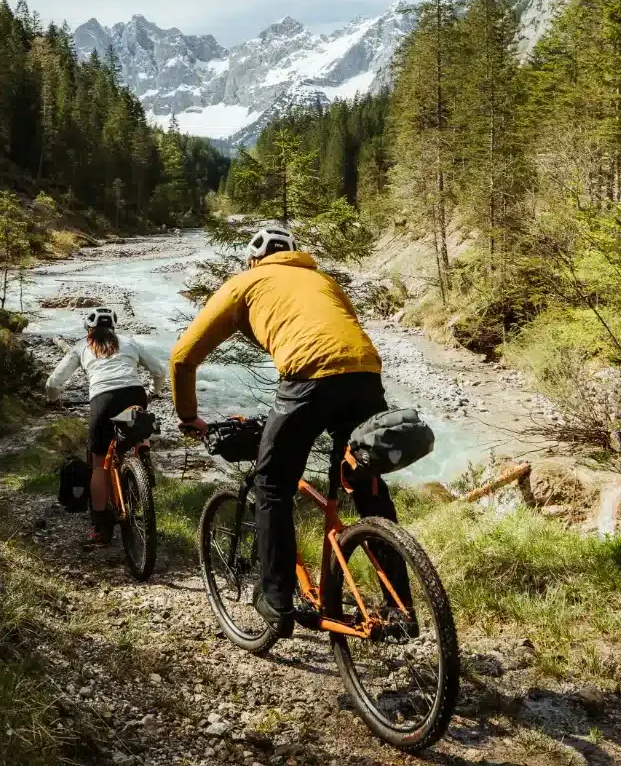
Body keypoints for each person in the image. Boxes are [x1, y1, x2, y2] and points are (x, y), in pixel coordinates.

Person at [171, 227, 409, 636]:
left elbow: (182, 358)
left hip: (307, 379)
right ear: (294, 254)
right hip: (366, 375)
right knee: (365, 485)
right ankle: (400, 606)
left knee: (273, 485)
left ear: (252, 261)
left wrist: (189, 415)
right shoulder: (322, 279)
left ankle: (277, 602)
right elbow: (343, 328)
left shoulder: (243, 283)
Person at [47, 307, 167, 546]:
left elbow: (53, 382)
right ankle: (143, 451)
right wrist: (154, 392)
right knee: (137, 424)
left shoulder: (82, 346)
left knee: (100, 465)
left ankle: (101, 529)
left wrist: (53, 400)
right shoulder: (129, 342)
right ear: (113, 328)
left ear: (89, 329)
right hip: (134, 394)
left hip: (103, 400)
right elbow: (159, 371)